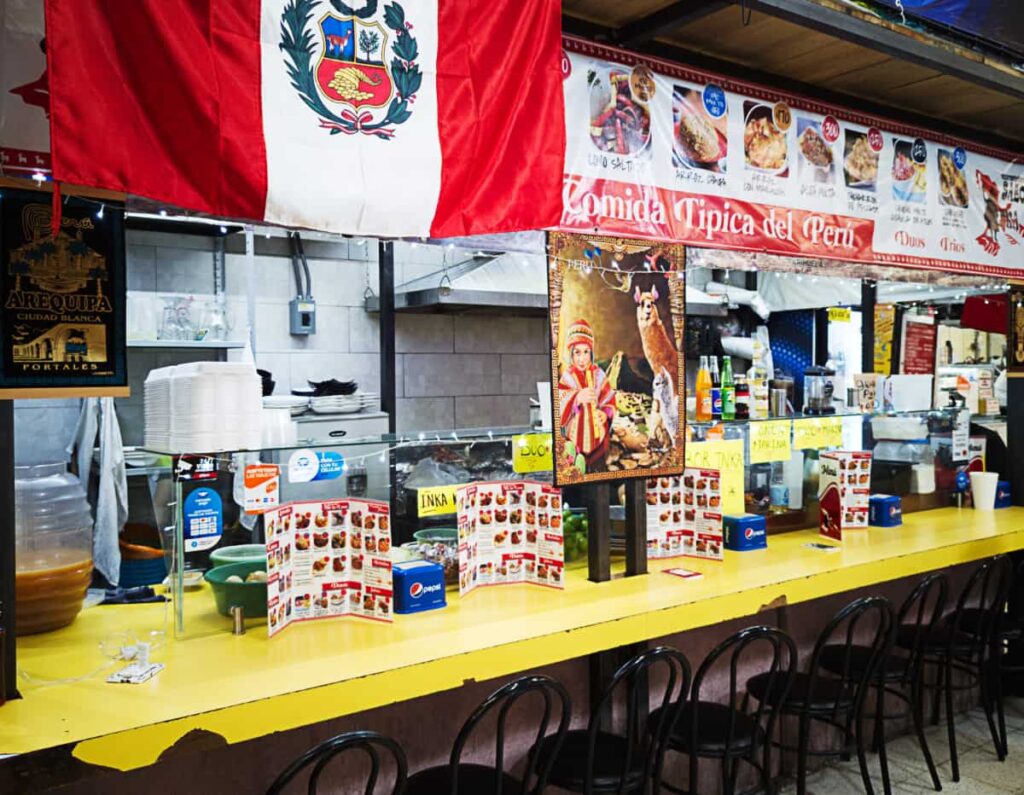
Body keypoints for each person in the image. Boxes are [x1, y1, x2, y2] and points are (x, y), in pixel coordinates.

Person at [559, 319, 616, 472]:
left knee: (599, 473)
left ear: (591, 353)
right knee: (577, 472)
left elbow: (609, 399)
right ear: (570, 354)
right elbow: (560, 401)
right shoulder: (567, 376)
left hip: (599, 440)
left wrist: (605, 413)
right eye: (577, 353)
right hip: (575, 440)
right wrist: (577, 397)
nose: (582, 358)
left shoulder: (599, 375)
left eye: (586, 352)